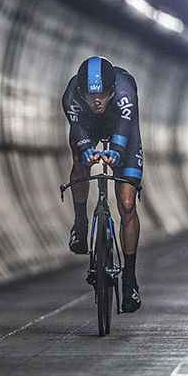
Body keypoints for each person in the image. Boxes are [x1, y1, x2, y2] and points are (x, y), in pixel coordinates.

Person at [62, 56, 143, 313]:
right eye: (91, 95)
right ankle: (81, 222)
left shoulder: (124, 91)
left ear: (111, 91)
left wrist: (116, 150)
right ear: (81, 92)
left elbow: (126, 127)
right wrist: (86, 149)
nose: (97, 101)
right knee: (79, 160)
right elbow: (78, 130)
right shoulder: (72, 96)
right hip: (88, 126)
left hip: (122, 126)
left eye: (103, 95)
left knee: (127, 204)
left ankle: (129, 279)